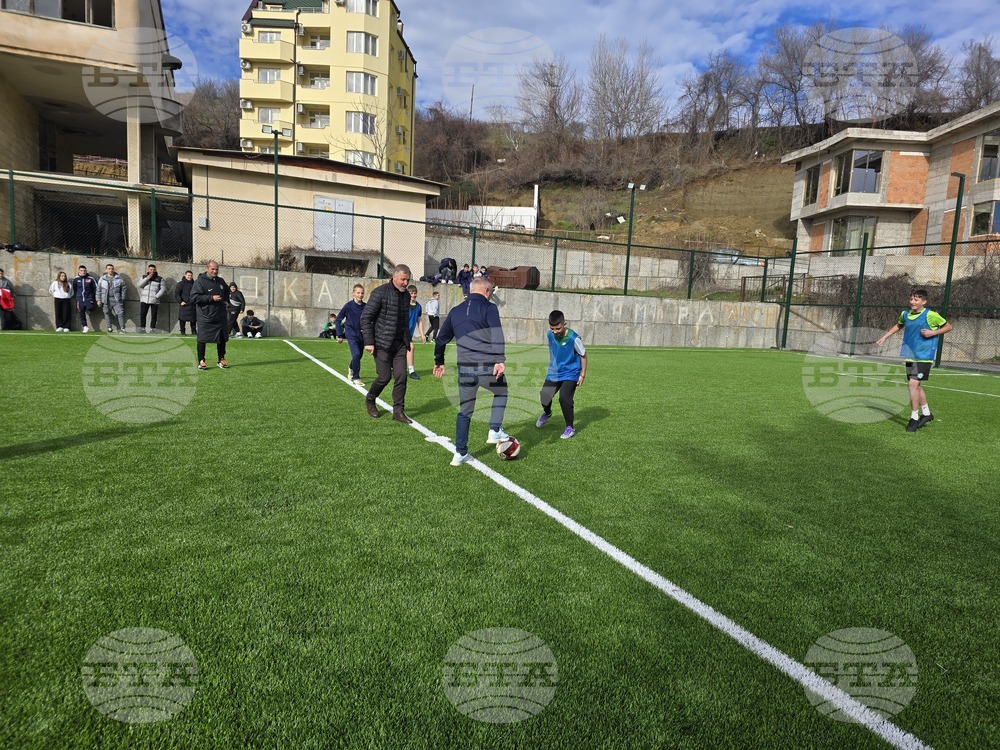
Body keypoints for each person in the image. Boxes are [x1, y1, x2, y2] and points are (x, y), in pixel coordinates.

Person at [433, 276, 510, 466]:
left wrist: (439, 361)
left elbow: (441, 339)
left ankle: (459, 454)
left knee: (465, 412)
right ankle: (494, 429)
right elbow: (497, 333)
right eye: (490, 292)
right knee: (502, 391)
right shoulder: (489, 308)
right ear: (486, 291)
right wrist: (499, 359)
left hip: (465, 370)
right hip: (485, 366)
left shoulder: (456, 311)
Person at [875, 288, 952, 432]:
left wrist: (933, 332)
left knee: (912, 385)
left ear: (924, 301)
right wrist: (885, 337)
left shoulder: (931, 315)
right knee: (916, 386)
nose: (913, 302)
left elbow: (948, 326)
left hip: (924, 356)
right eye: (911, 299)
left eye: (916, 299)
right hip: (910, 355)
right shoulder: (905, 314)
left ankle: (914, 417)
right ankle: (927, 414)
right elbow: (899, 325)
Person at [360, 265, 413, 422]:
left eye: (408, 280)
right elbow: (366, 318)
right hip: (382, 343)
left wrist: (407, 339)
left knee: (401, 376)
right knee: (384, 377)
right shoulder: (380, 293)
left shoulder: (406, 296)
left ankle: (398, 411)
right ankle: (370, 399)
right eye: (403, 279)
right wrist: (369, 342)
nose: (405, 283)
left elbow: (404, 321)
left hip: (399, 345)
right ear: (394, 277)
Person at [537, 310, 588, 439]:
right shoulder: (550, 335)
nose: (555, 331)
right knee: (544, 396)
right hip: (554, 372)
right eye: (552, 328)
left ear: (564, 324)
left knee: (564, 398)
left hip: (571, 372)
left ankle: (570, 427)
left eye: (558, 328)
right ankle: (547, 413)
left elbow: (583, 355)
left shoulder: (573, 338)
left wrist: (582, 374)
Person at [190, 260, 230, 370]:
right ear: (207, 268)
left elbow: (227, 291)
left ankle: (221, 359)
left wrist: (226, 300)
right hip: (205, 316)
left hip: (220, 316)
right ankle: (201, 360)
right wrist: (211, 298)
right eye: (212, 269)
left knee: (222, 338)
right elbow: (194, 298)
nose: (215, 271)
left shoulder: (221, 281)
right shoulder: (199, 282)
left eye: (216, 269)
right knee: (202, 338)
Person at [335, 283, 367, 386]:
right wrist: (339, 335)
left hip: (362, 335)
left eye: (362, 293)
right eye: (358, 293)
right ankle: (356, 377)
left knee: (359, 356)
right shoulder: (348, 306)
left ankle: (351, 367)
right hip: (351, 334)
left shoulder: (365, 306)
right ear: (353, 293)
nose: (360, 295)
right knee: (356, 354)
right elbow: (338, 319)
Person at [97, 263, 126, 333]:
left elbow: (124, 288)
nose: (111, 270)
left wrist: (122, 298)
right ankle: (109, 328)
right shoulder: (102, 279)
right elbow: (98, 290)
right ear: (106, 270)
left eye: (112, 269)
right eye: (109, 269)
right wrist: (98, 300)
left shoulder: (118, 278)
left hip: (117, 299)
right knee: (107, 313)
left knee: (120, 313)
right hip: (106, 299)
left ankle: (122, 328)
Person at [137, 263, 166, 333]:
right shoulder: (144, 277)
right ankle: (142, 328)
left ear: (155, 270)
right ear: (148, 269)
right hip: (144, 299)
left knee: (154, 315)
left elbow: (163, 289)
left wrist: (157, 296)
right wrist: (147, 278)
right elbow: (139, 285)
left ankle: (152, 329)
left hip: (154, 300)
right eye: (150, 269)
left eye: (153, 270)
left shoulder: (160, 279)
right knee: (143, 314)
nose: (152, 271)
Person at [406, 284, 426, 379]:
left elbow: (419, 320)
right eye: (411, 293)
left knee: (411, 347)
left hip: (408, 334)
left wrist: (422, 335)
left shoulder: (418, 306)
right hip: (399, 332)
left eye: (414, 293)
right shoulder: (403, 304)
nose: (413, 295)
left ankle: (411, 371)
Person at [71, 265, 97, 332]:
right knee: (81, 313)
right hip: (80, 299)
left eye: (84, 270)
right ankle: (85, 326)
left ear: (86, 271)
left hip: (89, 298)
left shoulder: (91, 279)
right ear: (79, 271)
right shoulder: (76, 279)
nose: (83, 272)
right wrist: (76, 296)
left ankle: (88, 310)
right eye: (81, 270)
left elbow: (95, 288)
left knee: (91, 307)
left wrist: (94, 297)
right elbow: (73, 288)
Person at [174, 270, 197, 335]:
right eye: (188, 275)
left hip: (192, 304)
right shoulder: (180, 284)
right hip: (184, 304)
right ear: (185, 275)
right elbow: (177, 294)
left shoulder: (195, 284)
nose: (189, 277)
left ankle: (194, 331)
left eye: (191, 276)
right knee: (182, 319)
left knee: (193, 319)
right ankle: (182, 331)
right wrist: (180, 301)